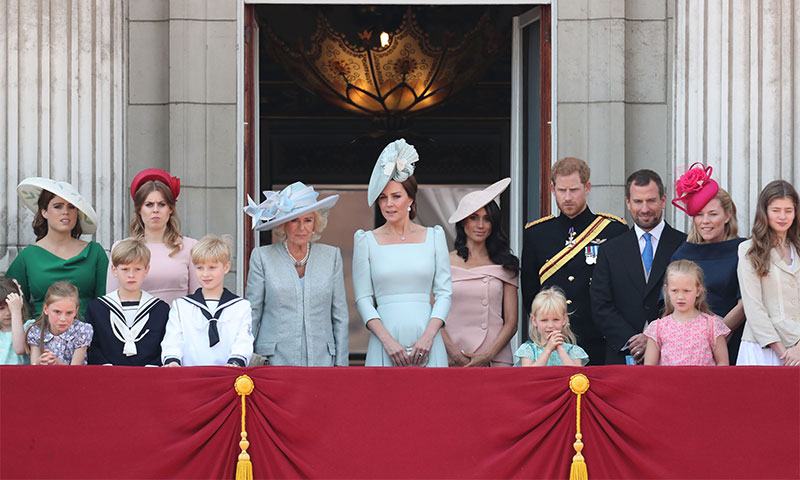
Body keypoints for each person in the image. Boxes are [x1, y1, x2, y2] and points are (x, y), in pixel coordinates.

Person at [353, 139, 452, 367]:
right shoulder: (366, 241)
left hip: (428, 339)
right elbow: (363, 299)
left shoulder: (435, 237)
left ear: (410, 199)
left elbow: (444, 293)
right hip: (383, 340)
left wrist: (429, 336)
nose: (389, 204)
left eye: (396, 196)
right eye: (383, 198)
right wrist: (387, 341)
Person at [522, 157, 627, 365]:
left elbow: (621, 290)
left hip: (598, 340)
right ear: (552, 189)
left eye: (574, 190)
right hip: (551, 344)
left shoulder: (613, 231)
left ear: (587, 187)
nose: (568, 197)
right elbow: (530, 293)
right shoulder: (537, 233)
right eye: (561, 190)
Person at [244, 182, 348, 366]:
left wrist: (341, 365)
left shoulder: (331, 256)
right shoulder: (262, 257)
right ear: (284, 224)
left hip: (322, 362)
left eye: (308, 220)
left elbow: (339, 316)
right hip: (274, 362)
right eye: (294, 220)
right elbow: (252, 312)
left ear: (316, 223)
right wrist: (246, 359)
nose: (302, 227)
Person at [591, 170, 687, 364]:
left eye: (651, 200)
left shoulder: (684, 245)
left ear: (663, 200)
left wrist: (653, 339)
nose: (644, 209)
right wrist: (632, 340)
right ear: (628, 202)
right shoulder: (610, 250)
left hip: (673, 354)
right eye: (637, 201)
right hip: (623, 355)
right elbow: (601, 304)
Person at [670, 164, 746, 362]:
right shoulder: (683, 253)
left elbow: (747, 302)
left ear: (727, 216)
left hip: (732, 339)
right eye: (699, 215)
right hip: (689, 345)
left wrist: (717, 336)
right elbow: (670, 302)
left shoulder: (744, 250)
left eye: (713, 214)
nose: (706, 221)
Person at [7, 177, 108, 319]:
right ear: (44, 212)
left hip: (88, 336)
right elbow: (9, 298)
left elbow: (106, 302)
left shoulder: (95, 253)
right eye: (58, 206)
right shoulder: (28, 255)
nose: (66, 212)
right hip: (40, 337)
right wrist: (31, 328)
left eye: (71, 207)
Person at [443, 178, 518, 367]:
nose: (481, 225)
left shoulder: (505, 264)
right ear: (462, 222)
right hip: (451, 356)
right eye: (474, 217)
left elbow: (511, 322)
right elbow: (433, 317)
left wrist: (488, 355)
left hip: (494, 357)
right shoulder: (443, 262)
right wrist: (454, 354)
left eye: (487, 219)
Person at [106, 169, 200, 305]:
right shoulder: (121, 248)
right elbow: (112, 298)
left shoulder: (190, 247)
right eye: (149, 204)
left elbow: (198, 297)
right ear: (139, 210)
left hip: (180, 323)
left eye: (162, 204)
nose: (155, 210)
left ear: (170, 209)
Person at [161, 235, 254, 367]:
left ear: (226, 267)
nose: (205, 274)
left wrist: (235, 362)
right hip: (190, 376)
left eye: (212, 267)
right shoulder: (181, 306)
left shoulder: (241, 307)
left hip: (227, 376)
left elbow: (243, 340)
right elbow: (172, 340)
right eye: (199, 268)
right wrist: (172, 361)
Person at [737, 180, 800, 366]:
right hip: (762, 348)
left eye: (788, 210)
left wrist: (797, 350)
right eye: (776, 210)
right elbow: (753, 306)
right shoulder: (748, 250)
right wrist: (784, 354)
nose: (782, 216)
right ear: (764, 212)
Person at [85, 239, 170, 366]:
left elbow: (165, 344)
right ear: (114, 270)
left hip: (150, 378)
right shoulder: (97, 308)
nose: (131, 275)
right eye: (125, 269)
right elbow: (93, 347)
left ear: (146, 270)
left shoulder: (160, 309)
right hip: (108, 378)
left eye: (137, 269)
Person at [643, 260, 730, 366]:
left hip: (703, 382)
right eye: (675, 290)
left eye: (686, 291)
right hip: (668, 382)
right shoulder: (657, 328)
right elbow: (650, 368)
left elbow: (723, 363)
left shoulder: (711, 325)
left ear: (698, 291)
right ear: (667, 290)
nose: (680, 297)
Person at [514, 287, 588, 366]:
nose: (550, 326)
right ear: (534, 320)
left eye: (556, 319)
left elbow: (576, 374)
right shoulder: (528, 350)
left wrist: (560, 348)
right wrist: (548, 349)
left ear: (564, 319)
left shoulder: (573, 351)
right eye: (544, 320)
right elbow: (529, 374)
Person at [25, 281, 94, 365]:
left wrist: (58, 363)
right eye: (57, 312)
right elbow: (33, 369)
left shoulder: (82, 331)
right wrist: (41, 361)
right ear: (46, 309)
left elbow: (75, 371)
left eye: (69, 313)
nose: (63, 319)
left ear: (76, 311)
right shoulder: (35, 331)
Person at [1, 278, 30, 364]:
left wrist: (16, 312)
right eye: (1, 308)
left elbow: (20, 348)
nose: (8, 312)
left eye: (11, 306)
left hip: (18, 376)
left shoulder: (28, 326)